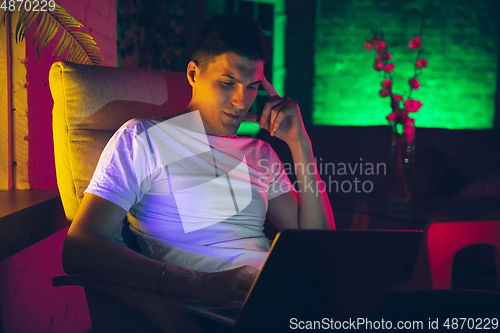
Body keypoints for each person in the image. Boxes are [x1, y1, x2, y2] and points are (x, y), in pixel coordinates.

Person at [61, 13, 335, 305]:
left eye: (252, 86)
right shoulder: (144, 138)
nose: (241, 101)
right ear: (193, 74)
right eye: (228, 82)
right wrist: (195, 284)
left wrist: (300, 143)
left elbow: (318, 248)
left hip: (282, 294)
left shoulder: (259, 152)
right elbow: (80, 247)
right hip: (212, 308)